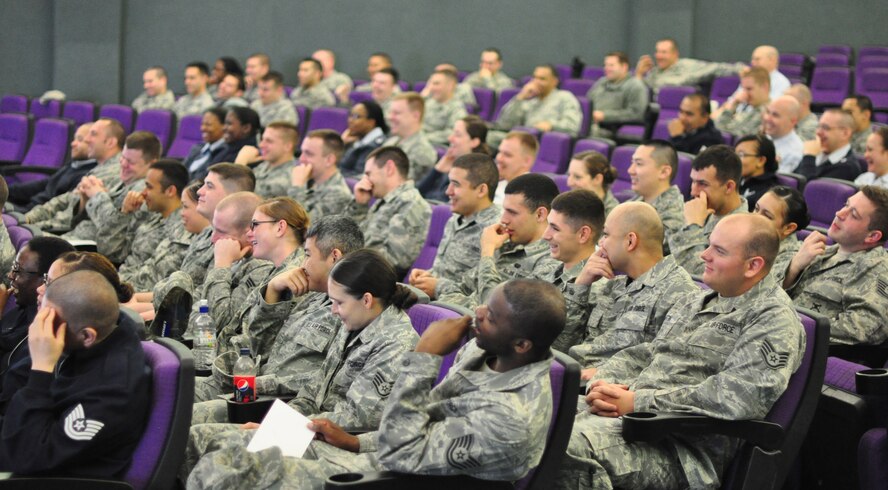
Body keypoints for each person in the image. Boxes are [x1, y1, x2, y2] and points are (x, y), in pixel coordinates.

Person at [185, 278, 562, 489]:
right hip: (372, 452)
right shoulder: (486, 353)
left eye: (491, 317)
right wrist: (354, 440)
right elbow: (420, 424)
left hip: (393, 477)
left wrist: (424, 359)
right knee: (215, 441)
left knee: (227, 472)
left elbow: (404, 453)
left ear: (522, 344)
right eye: (484, 304)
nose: (477, 314)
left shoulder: (512, 418)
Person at [555, 214, 804, 490]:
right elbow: (648, 353)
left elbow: (738, 397)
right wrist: (603, 382)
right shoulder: (699, 298)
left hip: (680, 450)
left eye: (718, 251)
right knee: (532, 415)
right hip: (632, 420)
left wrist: (639, 402)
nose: (703, 255)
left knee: (560, 446)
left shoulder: (773, 319)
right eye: (709, 245)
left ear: (753, 265)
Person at [183, 249, 420, 482]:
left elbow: (357, 419)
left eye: (338, 302)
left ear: (366, 300)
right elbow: (313, 391)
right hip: (312, 427)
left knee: (230, 456)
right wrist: (275, 425)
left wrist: (287, 430)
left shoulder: (396, 343)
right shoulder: (357, 323)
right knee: (201, 439)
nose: (333, 311)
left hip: (343, 444)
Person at [191, 215, 364, 424]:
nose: (303, 263)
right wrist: (272, 291)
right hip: (252, 389)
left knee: (181, 416)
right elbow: (260, 348)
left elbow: (318, 380)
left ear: (334, 257)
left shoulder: (352, 311)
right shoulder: (313, 298)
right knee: (167, 391)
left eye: (308, 255)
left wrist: (250, 384)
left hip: (274, 401)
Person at [0, 270, 150, 478]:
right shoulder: (96, 342)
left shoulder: (111, 393)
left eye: (50, 323)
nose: (39, 330)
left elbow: (27, 458)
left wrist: (41, 368)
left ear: (87, 335)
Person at [193, 196, 309, 402]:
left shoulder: (294, 279)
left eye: (255, 225)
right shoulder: (276, 272)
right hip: (227, 369)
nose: (249, 233)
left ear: (280, 227)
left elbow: (262, 347)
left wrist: (221, 266)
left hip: (243, 381)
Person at [569, 201, 697, 373]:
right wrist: (581, 285)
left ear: (630, 241)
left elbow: (665, 367)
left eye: (606, 235)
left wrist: (603, 374)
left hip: (602, 388)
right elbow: (562, 342)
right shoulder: (614, 282)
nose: (601, 242)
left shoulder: (681, 293)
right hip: (572, 372)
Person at [436, 173, 560, 309]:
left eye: (512, 212)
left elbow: (495, 310)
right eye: (504, 210)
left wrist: (487, 252)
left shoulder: (550, 261)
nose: (503, 219)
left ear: (540, 214)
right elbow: (460, 287)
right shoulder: (506, 244)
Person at [783, 186, 888, 345]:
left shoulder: (876, 269)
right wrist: (793, 269)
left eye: (853, 214)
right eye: (846, 205)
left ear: (872, 236)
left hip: (801, 349)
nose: (839, 213)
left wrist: (789, 326)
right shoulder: (821, 250)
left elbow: (864, 328)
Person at [410, 153, 501, 295]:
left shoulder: (496, 230)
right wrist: (426, 277)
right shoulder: (455, 219)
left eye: (456, 184)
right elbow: (447, 273)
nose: (448, 191)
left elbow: (486, 291)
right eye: (449, 183)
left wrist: (438, 287)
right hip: (436, 303)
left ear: (481, 190)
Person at [64, 131, 160, 256]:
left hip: (87, 252)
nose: (123, 165)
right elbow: (78, 222)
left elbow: (113, 233)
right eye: (123, 158)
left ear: (151, 164)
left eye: (131, 162)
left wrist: (97, 195)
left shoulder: (143, 192)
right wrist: (85, 199)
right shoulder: (120, 180)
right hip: (72, 238)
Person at [24, 119, 124, 233]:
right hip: (55, 227)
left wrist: (32, 225)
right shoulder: (100, 168)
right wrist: (28, 218)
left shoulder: (115, 173)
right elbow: (65, 199)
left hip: (69, 236)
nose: (87, 139)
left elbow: (75, 220)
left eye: (94, 134)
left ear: (110, 142)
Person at [349, 147, 431, 278]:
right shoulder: (385, 200)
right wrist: (360, 205)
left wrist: (348, 258)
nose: (365, 180)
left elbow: (394, 261)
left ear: (389, 168)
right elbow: (347, 237)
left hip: (371, 280)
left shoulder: (411, 203)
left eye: (368, 174)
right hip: (357, 271)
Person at [669, 145, 748, 275]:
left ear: (728, 187)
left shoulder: (741, 231)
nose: (693, 191)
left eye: (703, 184)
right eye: (693, 182)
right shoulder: (697, 208)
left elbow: (701, 273)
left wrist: (692, 227)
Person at [0, 237, 75, 372]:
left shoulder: (44, 336)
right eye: (13, 268)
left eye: (18, 271)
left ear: (46, 279)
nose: (11, 275)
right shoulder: (23, 310)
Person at [541, 189, 604, 352]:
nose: (545, 235)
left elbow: (563, 350)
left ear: (583, 234)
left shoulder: (598, 287)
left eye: (555, 228)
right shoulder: (551, 267)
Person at [116, 160, 190, 289]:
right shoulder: (152, 216)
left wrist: (113, 282)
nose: (143, 193)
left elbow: (151, 279)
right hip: (122, 278)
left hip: (132, 290)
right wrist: (125, 213)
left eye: (149, 187)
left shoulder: (181, 230)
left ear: (170, 191)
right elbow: (114, 252)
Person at [120, 182, 203, 293]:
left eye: (186, 206)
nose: (181, 213)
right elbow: (147, 265)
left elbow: (182, 295)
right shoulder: (179, 231)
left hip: (146, 298)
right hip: (132, 287)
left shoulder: (205, 244)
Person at [8, 123, 97, 212]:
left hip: (35, 215)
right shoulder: (75, 164)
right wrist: (8, 191)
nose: (73, 143)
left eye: (80, 140)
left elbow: (60, 209)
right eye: (74, 139)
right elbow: (45, 184)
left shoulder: (87, 176)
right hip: (30, 205)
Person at [492, 64, 582, 142]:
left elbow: (573, 126)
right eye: (535, 77)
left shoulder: (565, 97)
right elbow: (505, 124)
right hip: (523, 139)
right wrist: (520, 97)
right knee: (490, 136)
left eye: (542, 79)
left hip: (546, 142)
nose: (536, 82)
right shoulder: (530, 100)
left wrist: (551, 125)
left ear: (555, 81)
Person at [627, 140, 685, 252]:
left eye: (639, 164)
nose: (630, 170)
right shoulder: (635, 202)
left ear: (664, 172)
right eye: (632, 163)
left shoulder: (674, 214)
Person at [416, 115, 489, 201]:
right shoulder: (453, 161)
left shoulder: (475, 172)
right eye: (452, 133)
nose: (450, 138)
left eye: (457, 135)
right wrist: (437, 170)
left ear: (474, 142)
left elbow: (441, 201)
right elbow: (419, 191)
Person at [635, 38, 745, 94]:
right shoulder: (655, 71)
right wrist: (639, 75)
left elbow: (715, 68)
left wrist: (739, 68)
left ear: (675, 54)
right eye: (657, 52)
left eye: (663, 52)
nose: (658, 56)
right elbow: (643, 93)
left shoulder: (688, 66)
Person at [288, 129, 354, 221]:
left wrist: (297, 187)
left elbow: (302, 226)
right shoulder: (309, 180)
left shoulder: (338, 194)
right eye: (302, 152)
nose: (301, 159)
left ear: (329, 160)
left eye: (308, 154)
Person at [753, 186, 810, 283]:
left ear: (788, 228)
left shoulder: (791, 260)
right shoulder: (750, 237)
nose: (755, 217)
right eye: (756, 208)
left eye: (767, 216)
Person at [587, 51, 649, 138]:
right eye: (606, 65)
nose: (606, 68)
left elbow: (636, 113)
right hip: (592, 123)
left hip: (612, 129)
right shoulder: (601, 82)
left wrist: (604, 116)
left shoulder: (635, 85)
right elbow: (588, 102)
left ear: (624, 67)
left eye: (611, 65)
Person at [382, 92, 438, 181]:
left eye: (396, 113)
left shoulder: (423, 152)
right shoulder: (391, 141)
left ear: (415, 116)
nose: (390, 117)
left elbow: (405, 187)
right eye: (390, 112)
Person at [795, 109, 863, 182]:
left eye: (825, 127)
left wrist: (809, 157)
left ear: (845, 133)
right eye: (819, 126)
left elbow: (809, 190)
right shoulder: (818, 152)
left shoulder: (847, 168)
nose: (818, 132)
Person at [237, 121, 298, 198]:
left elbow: (243, 198)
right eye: (262, 139)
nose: (261, 145)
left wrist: (241, 162)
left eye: (269, 141)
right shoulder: (265, 165)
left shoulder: (291, 176)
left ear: (287, 146)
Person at [714, 67, 770, 138]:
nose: (745, 94)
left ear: (765, 87)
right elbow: (718, 129)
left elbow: (738, 136)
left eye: (749, 89)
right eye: (743, 89)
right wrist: (733, 105)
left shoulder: (767, 114)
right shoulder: (749, 110)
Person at [339, 100, 388, 178]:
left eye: (356, 117)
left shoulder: (372, 147)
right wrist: (342, 144)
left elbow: (357, 177)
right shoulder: (357, 139)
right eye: (350, 115)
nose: (350, 120)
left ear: (371, 122)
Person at [420, 68, 468, 146]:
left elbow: (453, 132)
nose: (431, 88)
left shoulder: (456, 108)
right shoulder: (428, 103)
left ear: (450, 85)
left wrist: (423, 137)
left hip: (434, 145)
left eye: (436, 84)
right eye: (430, 84)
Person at [181, 107, 229, 182]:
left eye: (208, 125)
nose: (203, 128)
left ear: (223, 126)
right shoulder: (197, 148)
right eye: (202, 124)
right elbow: (180, 171)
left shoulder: (226, 152)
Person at [567, 150, 619, 216]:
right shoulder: (570, 203)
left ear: (597, 179)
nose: (569, 183)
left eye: (577, 177)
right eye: (569, 175)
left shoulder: (612, 215)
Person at [736, 134, 780, 210]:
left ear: (761, 161)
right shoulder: (736, 180)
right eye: (735, 154)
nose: (735, 160)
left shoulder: (768, 194)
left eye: (741, 155)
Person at [493, 131, 537, 205]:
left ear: (526, 161)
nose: (499, 158)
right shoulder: (499, 183)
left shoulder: (530, 197)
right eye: (499, 152)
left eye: (507, 155)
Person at [764, 95, 805, 173]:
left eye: (775, 115)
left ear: (793, 121)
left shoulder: (794, 152)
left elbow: (778, 183)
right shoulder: (765, 138)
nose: (767, 118)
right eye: (768, 112)